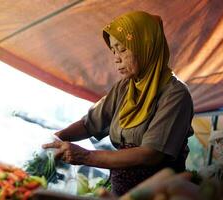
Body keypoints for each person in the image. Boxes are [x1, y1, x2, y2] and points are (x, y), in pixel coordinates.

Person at [42, 11, 194, 196]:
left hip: (159, 194)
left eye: (122, 49)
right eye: (113, 50)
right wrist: (56, 138)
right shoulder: (125, 88)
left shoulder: (175, 94)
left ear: (146, 47)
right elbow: (89, 124)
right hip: (122, 193)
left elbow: (150, 154)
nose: (116, 58)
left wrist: (86, 156)